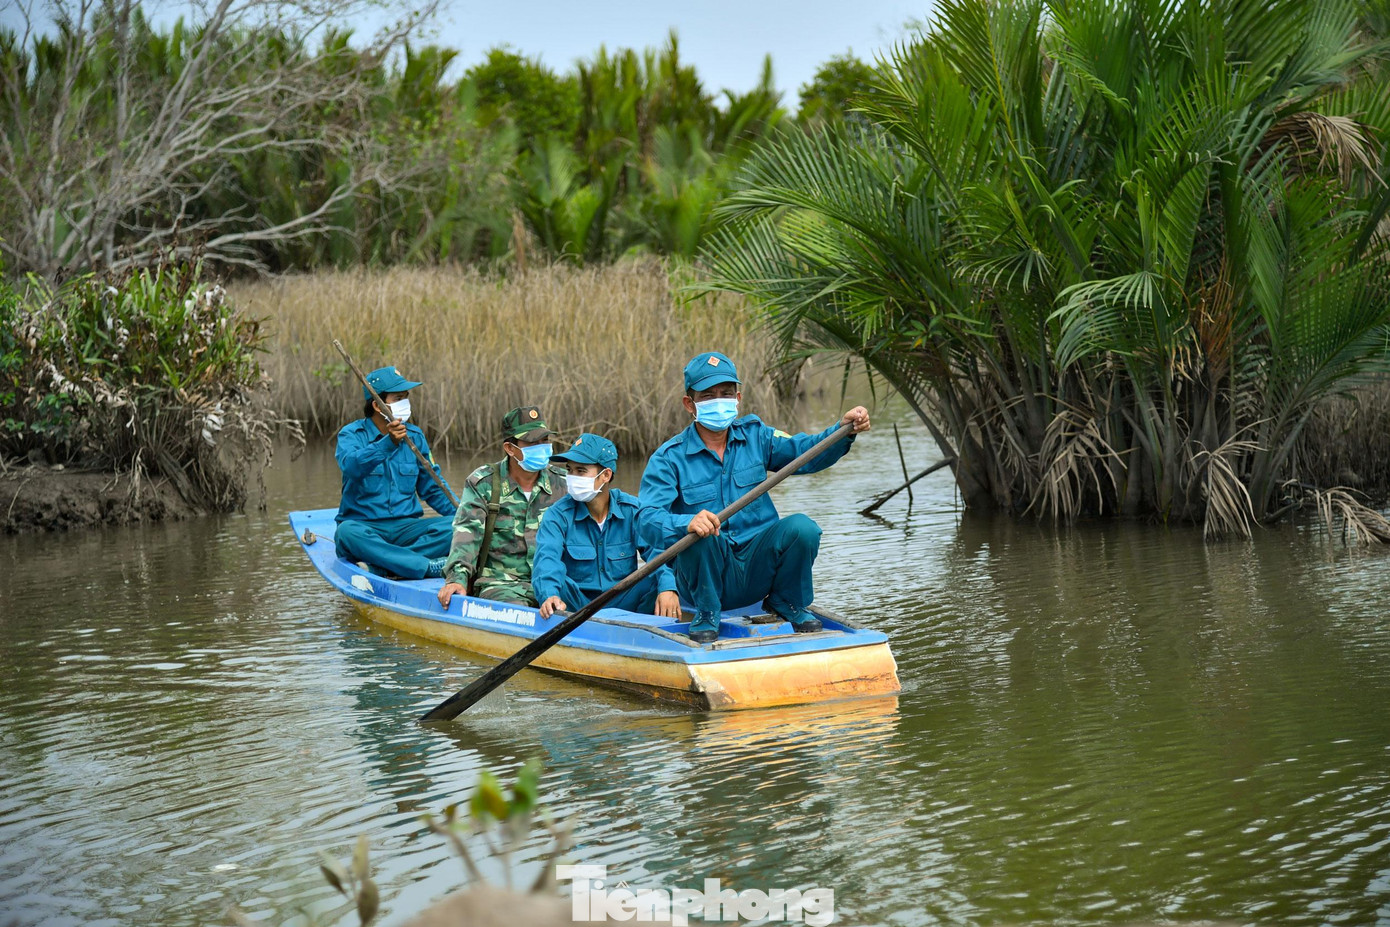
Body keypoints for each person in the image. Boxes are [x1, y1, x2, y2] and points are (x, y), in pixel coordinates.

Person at [639, 351, 871, 643]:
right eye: (708, 396)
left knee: (803, 528)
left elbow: (806, 452)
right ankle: (708, 613)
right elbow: (646, 519)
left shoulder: (757, 435)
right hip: (704, 577)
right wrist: (687, 523)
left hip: (756, 568)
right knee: (703, 535)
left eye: (726, 393)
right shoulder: (668, 458)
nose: (719, 400)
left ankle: (786, 602)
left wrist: (842, 431)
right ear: (690, 404)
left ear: (737, 398)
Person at [532, 433, 684, 621]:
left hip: (622, 601)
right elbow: (547, 559)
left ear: (605, 475)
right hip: (577, 604)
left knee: (658, 578)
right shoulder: (557, 515)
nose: (571, 477)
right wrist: (549, 594)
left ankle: (652, 625)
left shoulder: (632, 510)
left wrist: (667, 587)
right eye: (569, 470)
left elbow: (656, 552)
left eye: (580, 471)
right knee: (559, 582)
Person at [334, 365, 457, 578]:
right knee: (346, 533)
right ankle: (426, 566)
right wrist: (388, 443)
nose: (405, 403)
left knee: (458, 527)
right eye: (398, 398)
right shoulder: (352, 434)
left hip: (406, 529)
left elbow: (434, 489)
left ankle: (386, 565)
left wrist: (466, 517)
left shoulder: (415, 437)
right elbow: (351, 466)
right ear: (377, 405)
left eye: (406, 397)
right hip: (366, 527)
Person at [437, 406, 565, 608]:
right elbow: (467, 533)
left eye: (545, 440)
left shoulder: (563, 483)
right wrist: (457, 579)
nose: (542, 447)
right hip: (501, 584)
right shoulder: (484, 483)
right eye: (532, 442)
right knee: (518, 614)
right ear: (510, 448)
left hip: (555, 584)